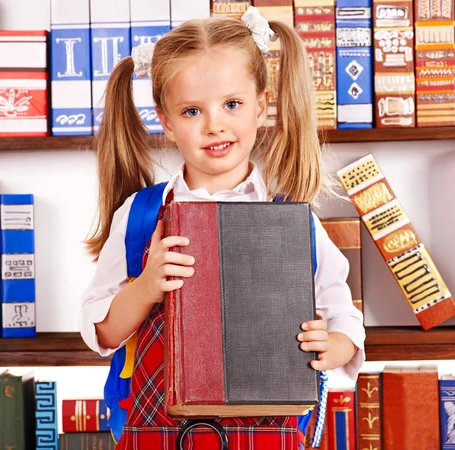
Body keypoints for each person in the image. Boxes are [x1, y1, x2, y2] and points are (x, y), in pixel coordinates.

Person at [80, 7, 365, 449]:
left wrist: (337, 345)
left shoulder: (293, 217)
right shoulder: (140, 215)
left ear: (261, 106)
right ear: (166, 121)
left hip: (269, 433)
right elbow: (100, 333)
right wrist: (145, 287)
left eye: (232, 104)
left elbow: (342, 313)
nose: (214, 124)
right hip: (158, 433)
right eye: (192, 110)